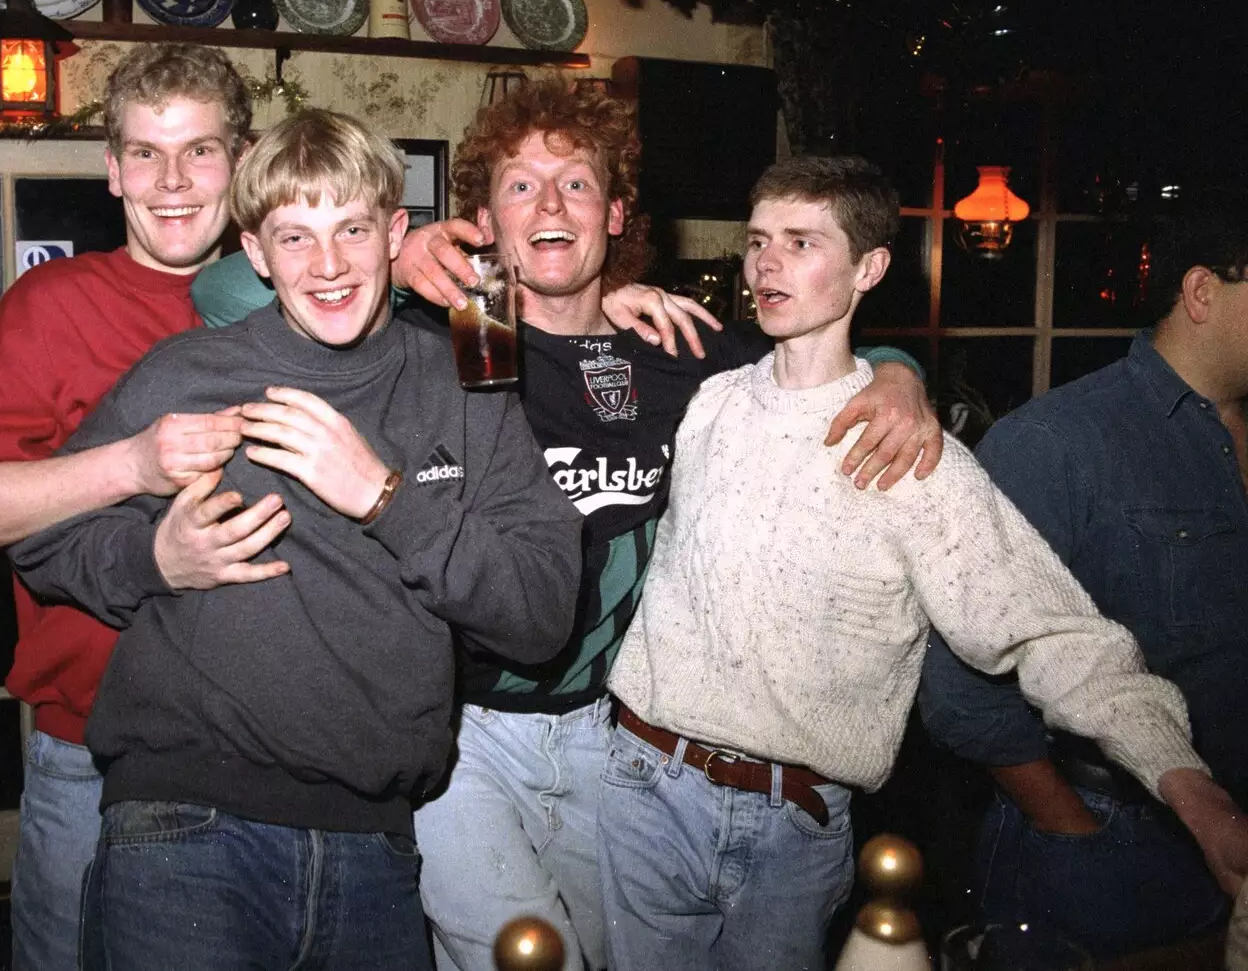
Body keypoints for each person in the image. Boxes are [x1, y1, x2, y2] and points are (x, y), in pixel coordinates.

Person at [191, 78, 944, 971]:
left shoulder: (678, 351)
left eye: (577, 183)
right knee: (522, 954)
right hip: (462, 728)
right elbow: (223, 291)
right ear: (484, 220)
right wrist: (396, 258)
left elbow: (824, 350)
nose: (549, 203)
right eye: (519, 185)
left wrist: (896, 373)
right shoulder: (453, 341)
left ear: (616, 213)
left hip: (624, 740)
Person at [599, 155, 1248, 971]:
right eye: (759, 239)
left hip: (789, 824)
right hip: (640, 786)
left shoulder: (910, 456)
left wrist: (1186, 781)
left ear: (869, 266)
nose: (766, 263)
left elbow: (1049, 631)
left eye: (802, 242)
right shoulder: (707, 403)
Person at [6, 108, 581, 970]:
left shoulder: (464, 385)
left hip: (378, 842)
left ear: (395, 234)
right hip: (184, 825)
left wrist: (382, 495)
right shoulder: (187, 374)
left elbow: (538, 616)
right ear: (257, 252)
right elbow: (40, 537)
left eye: (352, 228)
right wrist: (153, 558)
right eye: (295, 236)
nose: (329, 265)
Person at [0, 43, 285, 971]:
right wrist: (131, 462)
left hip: (278, 748)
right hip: (97, 756)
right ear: (113, 172)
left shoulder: (304, 291)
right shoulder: (58, 303)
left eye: (200, 150)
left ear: (244, 158)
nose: (174, 180)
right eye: (146, 153)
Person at [917, 206, 1248, 957]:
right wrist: (1068, 823)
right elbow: (957, 684)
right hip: (1112, 836)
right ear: (1203, 292)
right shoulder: (1053, 442)